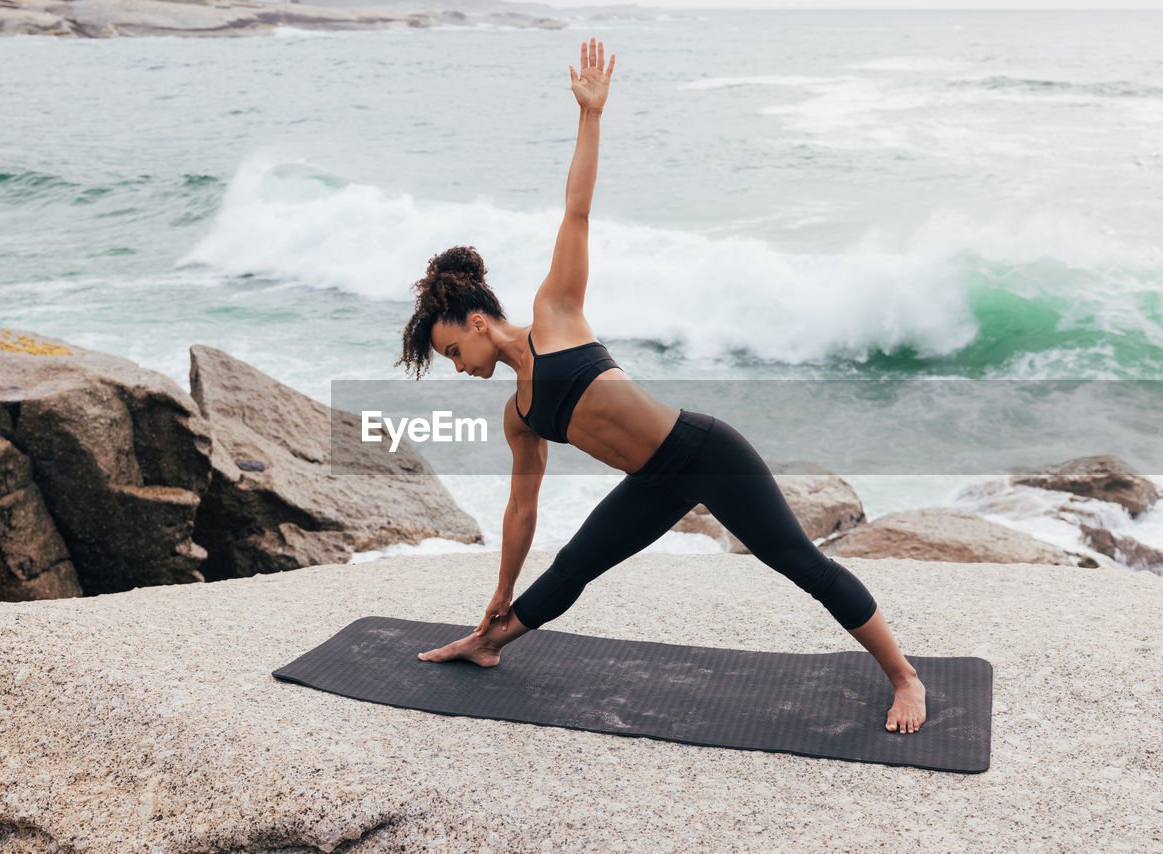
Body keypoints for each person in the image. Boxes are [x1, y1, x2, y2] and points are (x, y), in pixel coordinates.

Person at [394, 38, 926, 734]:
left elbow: (576, 211)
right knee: (572, 568)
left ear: (475, 320)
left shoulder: (555, 314)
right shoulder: (517, 415)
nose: (458, 366)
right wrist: (500, 591)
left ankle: (905, 676)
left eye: (452, 349)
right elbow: (521, 508)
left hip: (702, 450)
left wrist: (591, 117)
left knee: (798, 562)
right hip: (654, 483)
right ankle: (489, 642)